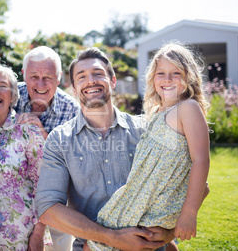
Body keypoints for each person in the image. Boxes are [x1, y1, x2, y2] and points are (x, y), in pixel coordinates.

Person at [35, 47, 176, 251]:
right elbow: (48, 208)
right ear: (74, 89)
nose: (90, 80)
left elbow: (188, 183)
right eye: (81, 77)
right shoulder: (59, 140)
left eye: (98, 74)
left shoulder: (148, 130)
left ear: (113, 81)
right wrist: (112, 237)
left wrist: (169, 232)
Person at [86, 43, 210, 250]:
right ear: (153, 78)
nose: (167, 79)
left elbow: (201, 160)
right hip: (135, 200)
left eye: (176, 73)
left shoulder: (188, 108)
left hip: (154, 208)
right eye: (161, 73)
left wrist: (189, 214)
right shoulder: (157, 113)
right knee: (93, 246)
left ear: (189, 77)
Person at [0, 63, 51, 250]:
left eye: (3, 86)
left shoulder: (28, 130)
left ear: (12, 95)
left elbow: (45, 186)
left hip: (20, 238)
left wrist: (38, 235)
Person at [13, 46, 79, 250]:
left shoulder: (71, 109)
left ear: (59, 78)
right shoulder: (10, 96)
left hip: (57, 189)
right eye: (34, 76)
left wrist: (43, 135)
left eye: (48, 77)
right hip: (16, 185)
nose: (40, 84)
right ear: (24, 75)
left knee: (61, 242)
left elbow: (72, 159)